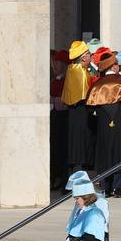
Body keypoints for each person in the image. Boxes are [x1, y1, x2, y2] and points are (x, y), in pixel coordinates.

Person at [86, 49, 121, 196]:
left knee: (104, 153)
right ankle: (118, 187)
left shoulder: (97, 85)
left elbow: (90, 109)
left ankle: (105, 187)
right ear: (113, 66)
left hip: (103, 126)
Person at [62, 40, 95, 174]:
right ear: (83, 57)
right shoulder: (79, 71)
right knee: (80, 141)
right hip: (80, 110)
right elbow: (84, 93)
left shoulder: (73, 69)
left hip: (75, 111)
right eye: (89, 54)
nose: (91, 56)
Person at [50, 49, 70, 187]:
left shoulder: (67, 80)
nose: (55, 66)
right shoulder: (54, 79)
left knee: (61, 148)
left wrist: (55, 99)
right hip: (54, 115)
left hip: (63, 117)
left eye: (57, 63)